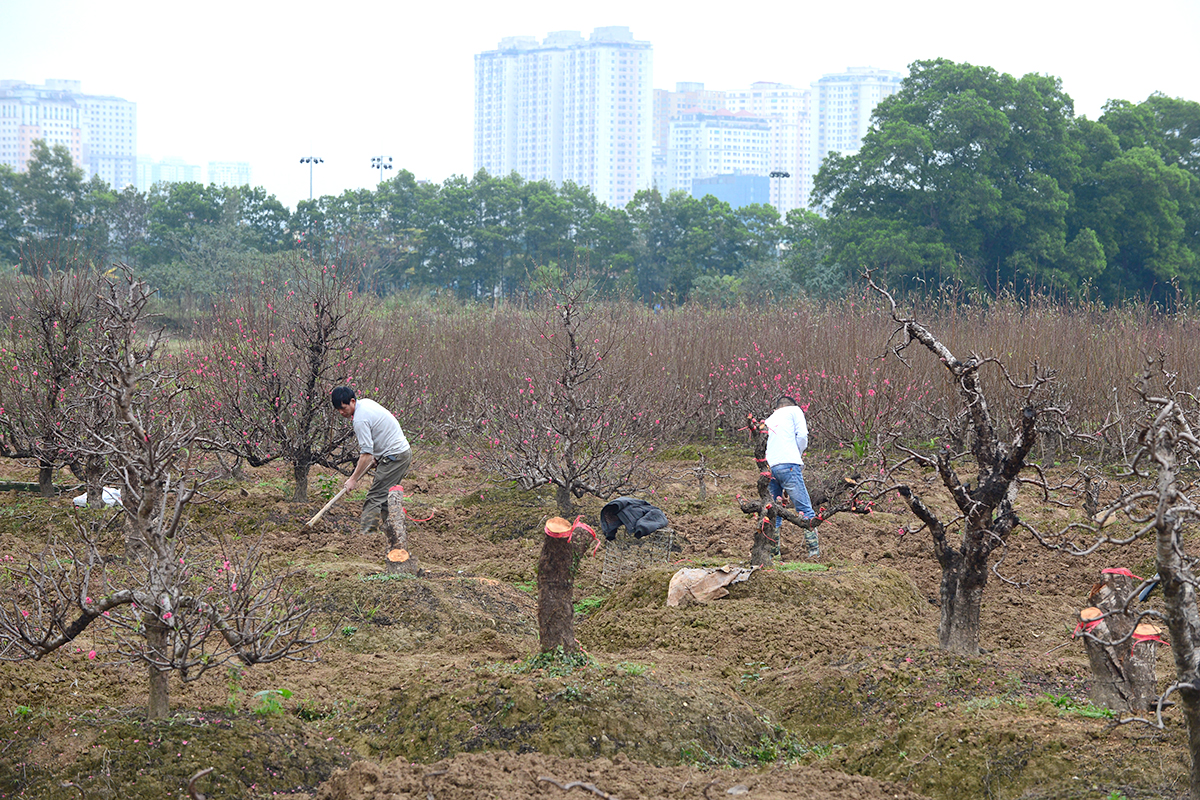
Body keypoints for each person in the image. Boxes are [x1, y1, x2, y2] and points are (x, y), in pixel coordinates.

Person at [331, 386, 412, 536]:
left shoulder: (360, 420)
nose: (342, 412)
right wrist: (377, 456)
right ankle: (394, 531)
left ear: (352, 401)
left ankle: (367, 536)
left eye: (343, 408)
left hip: (394, 456)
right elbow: (380, 432)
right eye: (338, 410)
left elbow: (366, 454)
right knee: (386, 496)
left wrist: (353, 479)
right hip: (400, 453)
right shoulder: (366, 404)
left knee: (374, 497)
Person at [763, 395, 819, 558]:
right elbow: (802, 436)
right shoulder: (795, 411)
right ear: (791, 405)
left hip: (770, 467)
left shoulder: (769, 419)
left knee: (774, 510)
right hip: (789, 464)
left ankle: (774, 554)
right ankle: (814, 554)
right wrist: (797, 454)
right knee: (805, 509)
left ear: (777, 407)